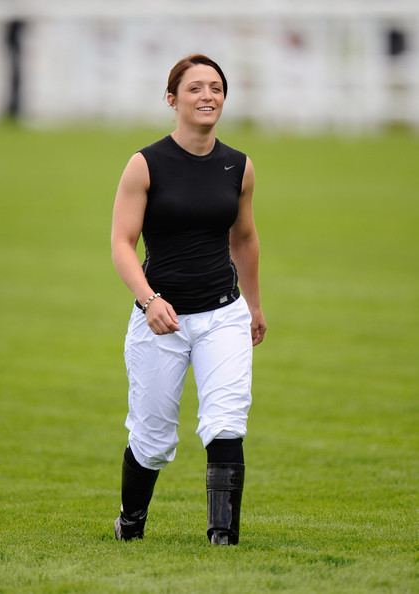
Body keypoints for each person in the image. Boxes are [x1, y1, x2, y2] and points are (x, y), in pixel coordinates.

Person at [111, 54, 267, 545]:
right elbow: (121, 243)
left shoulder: (238, 165)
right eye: (196, 88)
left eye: (216, 87)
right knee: (153, 439)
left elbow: (244, 239)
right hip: (163, 317)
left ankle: (223, 538)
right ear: (172, 99)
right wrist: (148, 300)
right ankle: (130, 523)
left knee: (226, 420)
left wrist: (255, 306)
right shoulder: (145, 163)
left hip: (223, 313)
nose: (208, 96)